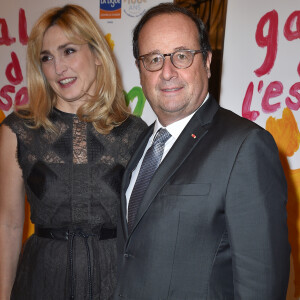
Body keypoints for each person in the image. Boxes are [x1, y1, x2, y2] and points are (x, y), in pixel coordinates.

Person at [114, 3, 290, 300]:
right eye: (154, 59)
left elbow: (262, 285)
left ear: (207, 62)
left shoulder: (245, 146)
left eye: (182, 56)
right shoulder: (140, 144)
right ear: (140, 69)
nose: (167, 72)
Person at [0, 4, 147, 300]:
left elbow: (145, 230)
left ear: (96, 55)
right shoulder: (17, 130)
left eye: (68, 51)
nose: (58, 68)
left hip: (113, 281)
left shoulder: (134, 133)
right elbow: (9, 224)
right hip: (43, 280)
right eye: (47, 57)